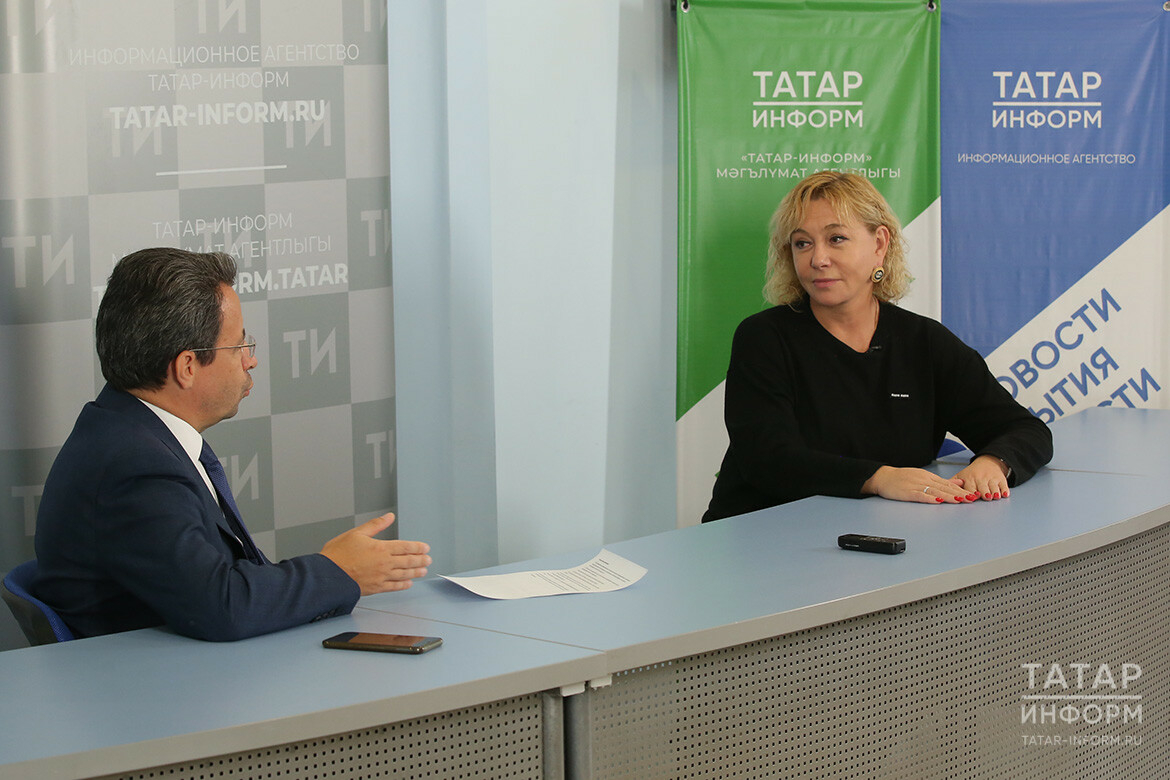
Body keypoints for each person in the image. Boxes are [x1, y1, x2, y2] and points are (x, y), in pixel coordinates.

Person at [33, 248, 431, 640]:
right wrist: (339, 571)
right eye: (239, 346)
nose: (250, 360)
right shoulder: (135, 465)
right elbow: (222, 606)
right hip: (157, 679)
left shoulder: (129, 431)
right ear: (187, 367)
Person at [702, 171, 1052, 523]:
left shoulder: (924, 341)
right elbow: (767, 459)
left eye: (836, 239)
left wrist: (994, 462)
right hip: (764, 533)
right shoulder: (763, 337)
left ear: (879, 244)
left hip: (880, 534)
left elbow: (1025, 430)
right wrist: (879, 478)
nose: (818, 259)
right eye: (802, 243)